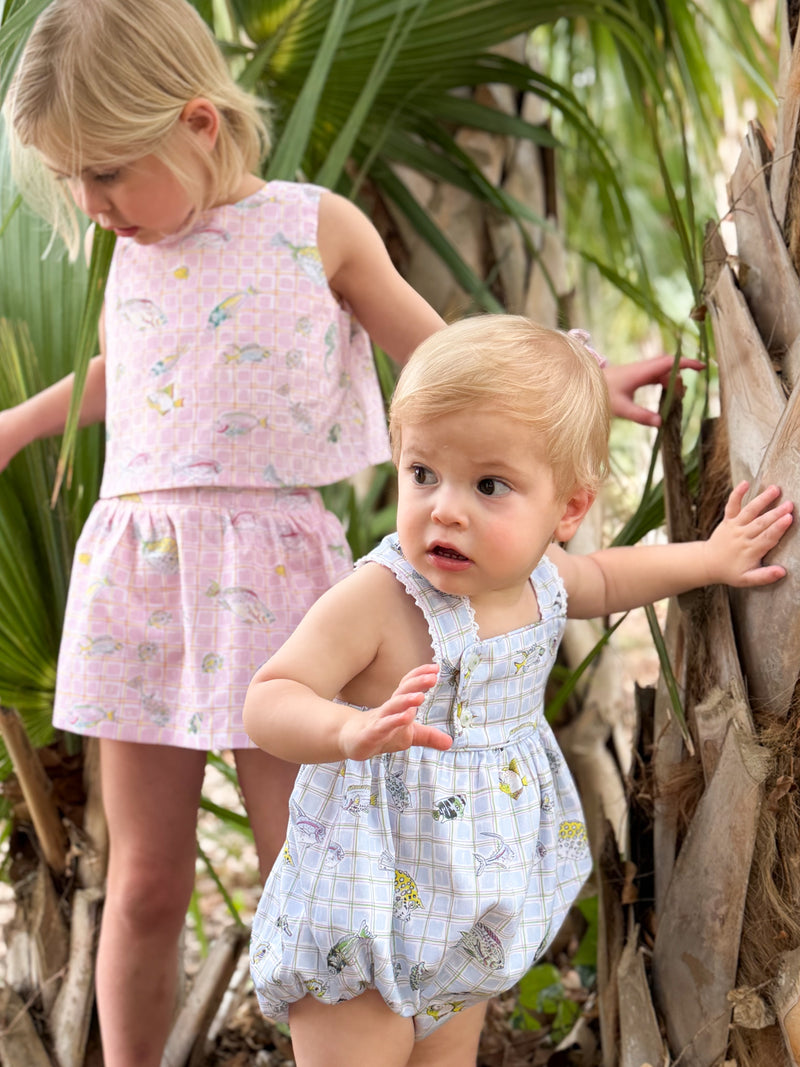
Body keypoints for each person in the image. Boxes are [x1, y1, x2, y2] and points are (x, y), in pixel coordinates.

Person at [2, 2, 703, 1064]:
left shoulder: (313, 226)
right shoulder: (131, 255)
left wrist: (583, 380)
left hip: (280, 581)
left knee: (315, 858)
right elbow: (136, 375)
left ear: (195, 121)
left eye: (105, 172)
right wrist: (19, 421)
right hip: (143, 574)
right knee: (144, 878)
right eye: (74, 183)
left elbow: (442, 349)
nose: (93, 207)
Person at [244, 314, 792, 1067]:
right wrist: (346, 733)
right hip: (363, 913)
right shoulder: (379, 598)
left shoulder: (543, 578)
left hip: (472, 907)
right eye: (422, 474)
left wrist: (712, 557)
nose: (445, 507)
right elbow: (269, 698)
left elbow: (606, 577)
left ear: (567, 510)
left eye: (489, 484)